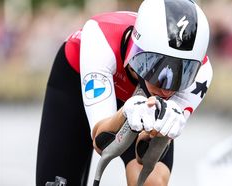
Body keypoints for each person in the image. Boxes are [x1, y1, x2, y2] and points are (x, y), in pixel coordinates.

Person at [36, 0, 213, 185]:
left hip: (140, 101)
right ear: (137, 51)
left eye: (182, 74)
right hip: (74, 83)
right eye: (159, 69)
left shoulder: (203, 73)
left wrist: (159, 133)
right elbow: (101, 142)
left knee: (151, 182)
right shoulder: (100, 38)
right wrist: (125, 113)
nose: (167, 89)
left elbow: (144, 155)